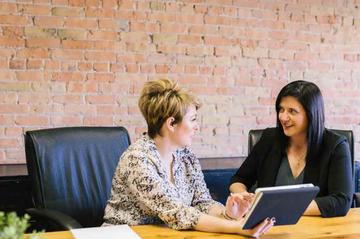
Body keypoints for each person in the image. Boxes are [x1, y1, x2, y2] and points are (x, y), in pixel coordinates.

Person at [103, 78, 274, 237]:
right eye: (192, 120)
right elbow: (177, 213)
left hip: (168, 234)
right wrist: (237, 228)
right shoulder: (137, 159)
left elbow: (202, 202)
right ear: (171, 124)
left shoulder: (186, 157)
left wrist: (228, 213)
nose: (197, 127)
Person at [230, 80, 354, 217]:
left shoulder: (335, 146)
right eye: (281, 109)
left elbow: (341, 201)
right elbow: (239, 179)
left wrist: (280, 207)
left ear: (311, 114)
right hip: (267, 227)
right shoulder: (269, 139)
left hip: (316, 229)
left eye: (292, 111)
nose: (283, 117)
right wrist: (242, 195)